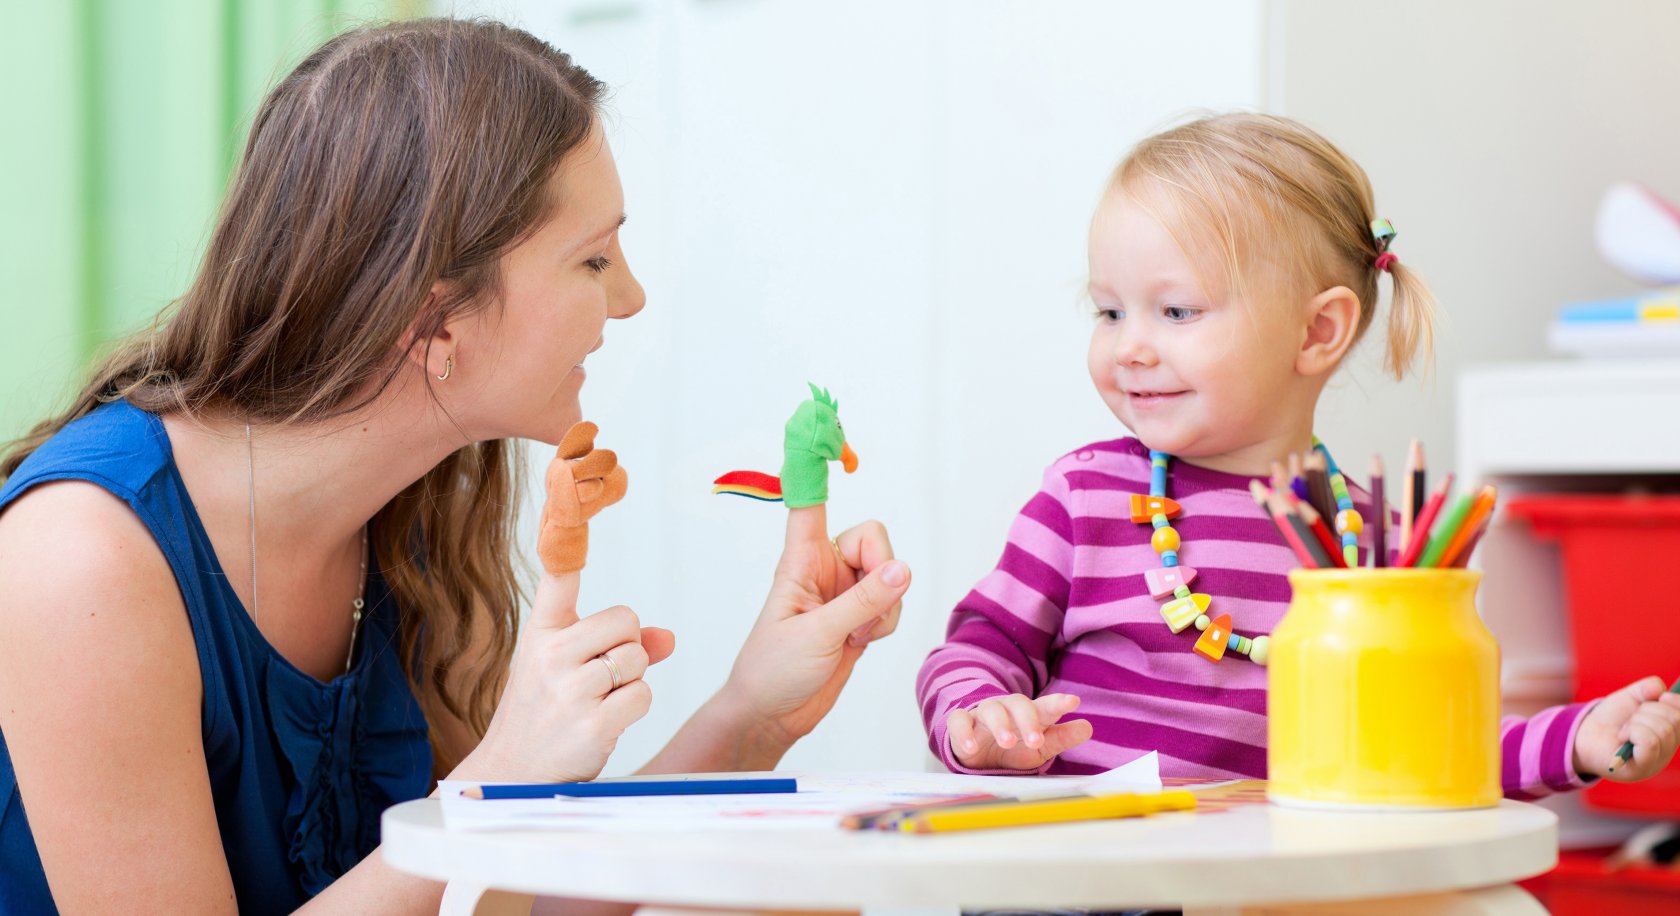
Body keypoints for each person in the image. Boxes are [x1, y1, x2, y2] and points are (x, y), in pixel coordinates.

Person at [0, 18, 910, 914]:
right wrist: (494, 779)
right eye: (593, 259)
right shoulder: (80, 561)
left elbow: (505, 904)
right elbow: (477, 830)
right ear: (434, 318)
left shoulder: (418, 510)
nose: (630, 299)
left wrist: (754, 713)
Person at [914, 113, 1680, 794]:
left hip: (1276, 888)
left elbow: (1427, 740)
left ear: (1317, 333)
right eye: (1109, 311)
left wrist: (1575, 742)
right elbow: (978, 646)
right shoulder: (1084, 498)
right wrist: (979, 719)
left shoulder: (1378, 543)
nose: (1130, 346)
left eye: (1176, 310)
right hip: (1083, 876)